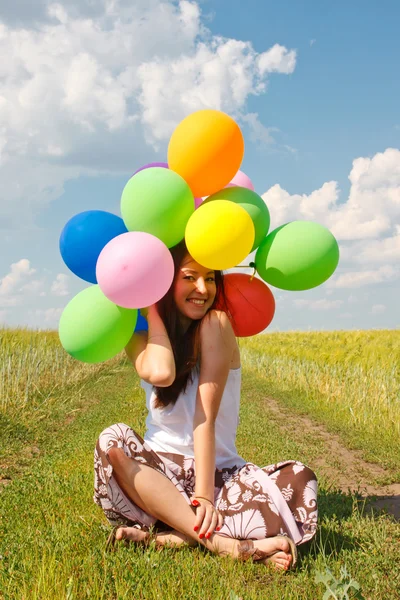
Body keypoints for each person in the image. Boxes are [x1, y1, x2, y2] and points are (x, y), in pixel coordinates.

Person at [94, 240, 318, 570]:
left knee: (299, 480)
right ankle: (226, 544)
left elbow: (205, 417)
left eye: (211, 278)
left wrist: (204, 496)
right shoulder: (138, 336)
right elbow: (162, 371)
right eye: (189, 277)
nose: (203, 288)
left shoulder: (217, 324)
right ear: (165, 279)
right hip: (156, 475)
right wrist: (152, 305)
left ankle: (171, 533)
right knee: (111, 441)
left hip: (215, 474)